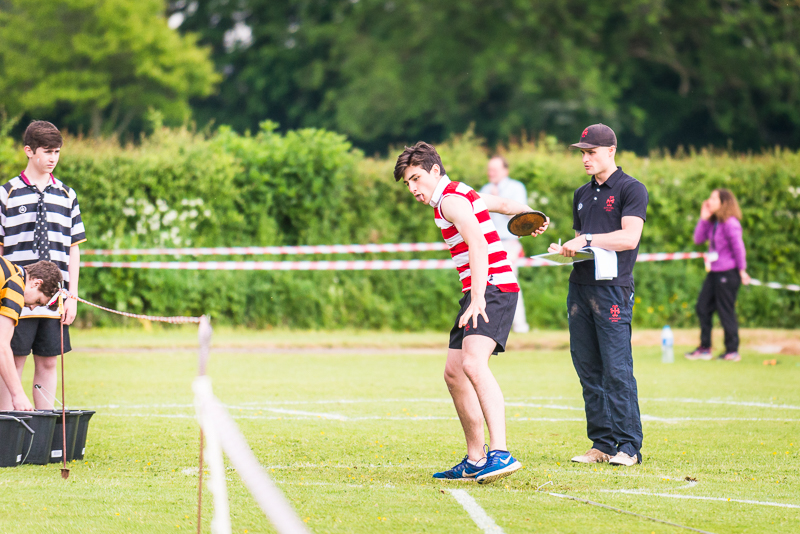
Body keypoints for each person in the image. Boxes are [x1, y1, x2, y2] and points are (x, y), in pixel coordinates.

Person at [394, 142, 549, 484]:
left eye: (416, 179)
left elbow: (477, 242)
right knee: (454, 373)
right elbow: (505, 205)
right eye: (407, 183)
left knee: (474, 364)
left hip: (492, 288)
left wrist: (478, 297)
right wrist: (533, 215)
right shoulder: (461, 192)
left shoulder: (449, 201)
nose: (413, 188)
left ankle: (501, 453)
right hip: (478, 291)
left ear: (435, 170)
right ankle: (476, 459)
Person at [547, 124, 648, 467]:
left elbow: (629, 238)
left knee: (617, 369)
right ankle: (602, 444)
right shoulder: (580, 193)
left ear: (611, 151)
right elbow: (583, 245)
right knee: (588, 369)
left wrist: (586, 239)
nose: (585, 159)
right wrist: (566, 250)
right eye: (582, 153)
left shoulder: (631, 189)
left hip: (613, 290)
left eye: (591, 152)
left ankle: (629, 446)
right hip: (580, 288)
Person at [0, 121, 86, 410]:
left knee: (49, 362)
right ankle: (8, 428)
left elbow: (73, 249)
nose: (53, 158)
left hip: (54, 297)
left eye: (57, 152)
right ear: (29, 151)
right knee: (13, 360)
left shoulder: (67, 195)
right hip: (15, 294)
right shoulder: (6, 193)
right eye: (47, 151)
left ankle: (44, 430)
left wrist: (72, 296)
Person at [685, 189, 749, 362]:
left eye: (714, 198)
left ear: (724, 202)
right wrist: (703, 218)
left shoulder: (731, 223)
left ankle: (732, 350)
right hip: (714, 272)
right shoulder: (714, 222)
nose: (709, 201)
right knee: (702, 307)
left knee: (725, 311)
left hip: (728, 273)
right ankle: (705, 348)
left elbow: (738, 248)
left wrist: (742, 270)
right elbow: (698, 239)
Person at [0, 259, 64, 411]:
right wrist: (18, 395)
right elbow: (2, 345)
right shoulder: (15, 286)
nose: (32, 308)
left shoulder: (6, 268)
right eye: (38, 301)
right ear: (36, 283)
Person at [479, 156, 530, 333]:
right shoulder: (485, 189)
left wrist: (498, 201)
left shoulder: (516, 188)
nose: (491, 173)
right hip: (487, 243)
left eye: (495, 169)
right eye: (489, 169)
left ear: (505, 171)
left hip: (508, 242)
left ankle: (520, 325)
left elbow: (520, 217)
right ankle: (492, 325)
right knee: (487, 284)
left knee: (509, 282)